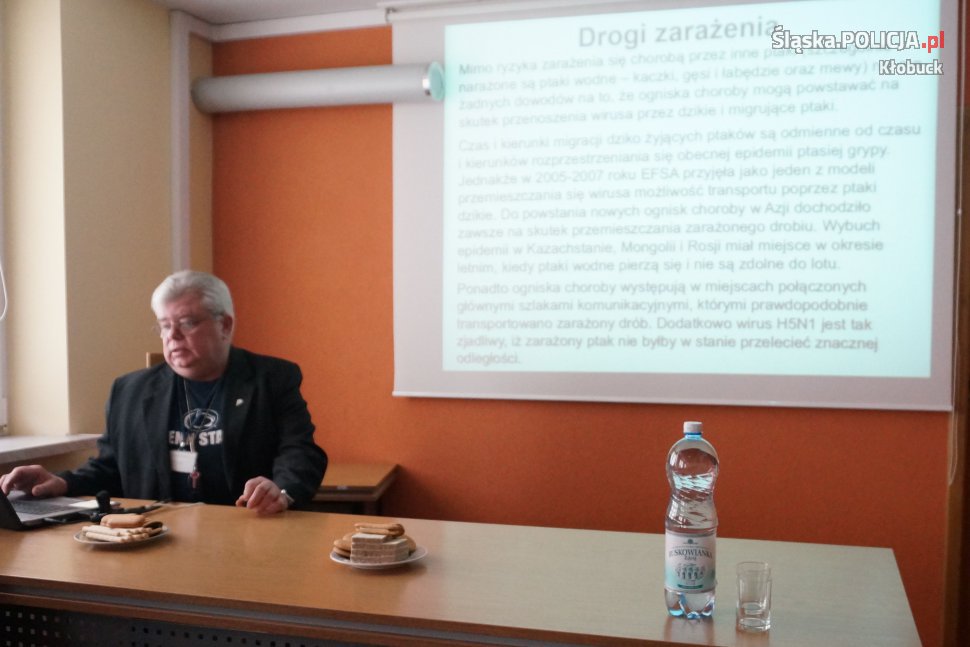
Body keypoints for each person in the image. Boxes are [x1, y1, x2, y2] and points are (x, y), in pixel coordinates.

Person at [0, 270, 327, 515]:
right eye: (164, 325)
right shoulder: (129, 391)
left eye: (187, 323)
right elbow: (111, 469)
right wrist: (61, 482)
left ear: (225, 325)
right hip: (158, 537)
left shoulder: (271, 379)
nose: (173, 336)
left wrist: (280, 490)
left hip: (247, 531)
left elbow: (300, 453)